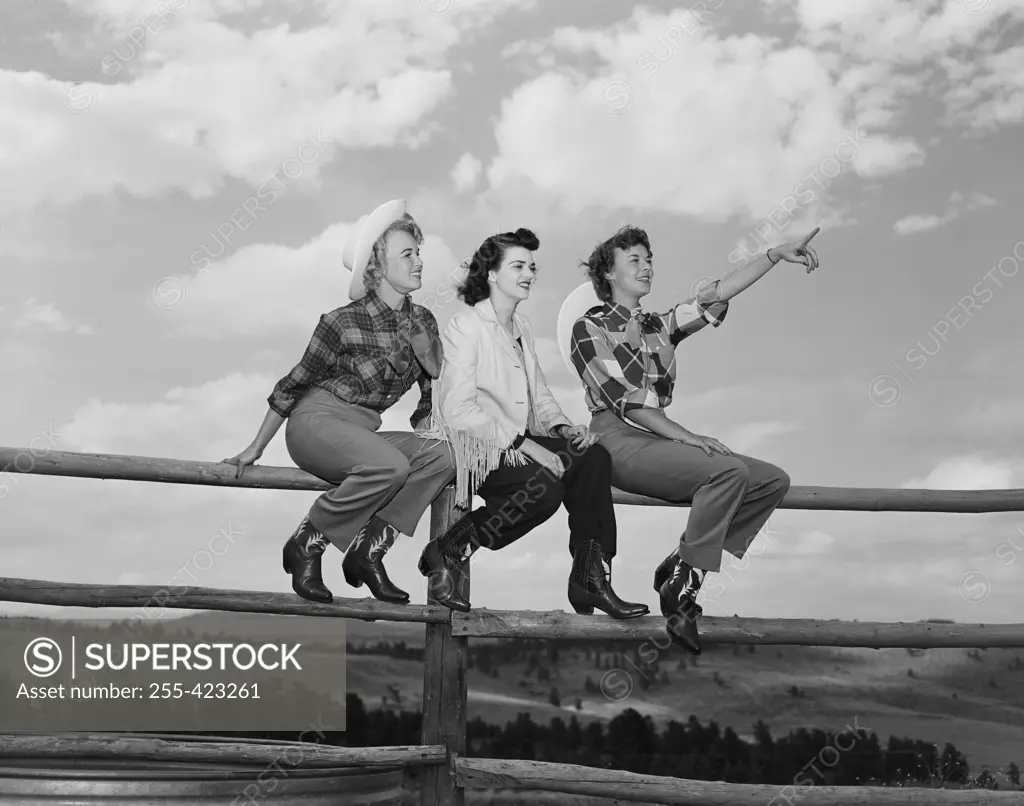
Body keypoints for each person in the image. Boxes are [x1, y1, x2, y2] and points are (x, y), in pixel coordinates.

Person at [561, 225, 820, 654]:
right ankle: (683, 590)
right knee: (727, 470)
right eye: (635, 261)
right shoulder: (587, 328)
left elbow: (720, 291)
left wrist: (773, 255)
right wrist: (689, 437)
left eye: (649, 259)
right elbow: (627, 402)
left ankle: (683, 564)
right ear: (607, 274)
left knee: (772, 480)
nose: (647, 268)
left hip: (656, 435)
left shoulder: (658, 325)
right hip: (613, 438)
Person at [222, 200, 456, 606]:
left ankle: (369, 552)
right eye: (408, 254)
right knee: (390, 464)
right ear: (377, 266)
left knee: (444, 456)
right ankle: (306, 543)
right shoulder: (341, 321)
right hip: (315, 422)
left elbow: (427, 400)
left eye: (419, 253)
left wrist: (431, 442)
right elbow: (292, 386)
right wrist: (254, 448)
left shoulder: (424, 323)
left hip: (364, 431)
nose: (419, 261)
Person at [415, 228, 648, 620]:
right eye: (518, 265)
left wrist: (562, 430)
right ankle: (448, 548)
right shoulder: (465, 326)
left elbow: (539, 397)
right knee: (545, 490)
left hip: (521, 446)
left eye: (532, 267)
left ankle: (590, 576)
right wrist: (525, 443)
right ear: (491, 273)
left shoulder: (521, 328)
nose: (529, 274)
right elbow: (457, 409)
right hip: (478, 450)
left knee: (592, 458)